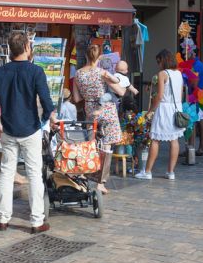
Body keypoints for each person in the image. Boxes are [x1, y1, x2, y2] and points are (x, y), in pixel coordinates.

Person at [0, 32, 56, 234]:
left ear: (10, 49)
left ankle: (2, 219)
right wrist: (45, 120)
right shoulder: (36, 71)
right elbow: (47, 103)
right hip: (30, 129)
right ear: (26, 47)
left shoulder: (0, 72)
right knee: (34, 174)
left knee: (6, 173)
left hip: (8, 129)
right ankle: (36, 221)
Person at [72, 44, 126, 194]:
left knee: (91, 144)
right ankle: (101, 183)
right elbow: (120, 91)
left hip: (90, 110)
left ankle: (85, 175)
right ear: (99, 56)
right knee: (107, 147)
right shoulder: (102, 72)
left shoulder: (78, 74)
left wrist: (88, 95)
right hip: (106, 110)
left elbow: (76, 98)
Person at [135, 49, 185, 180]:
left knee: (155, 140)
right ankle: (171, 172)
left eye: (159, 61)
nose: (158, 64)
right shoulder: (179, 74)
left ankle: (147, 171)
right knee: (174, 140)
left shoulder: (163, 73)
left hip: (164, 108)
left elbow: (159, 96)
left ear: (163, 60)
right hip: (176, 108)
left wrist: (150, 111)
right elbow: (180, 94)